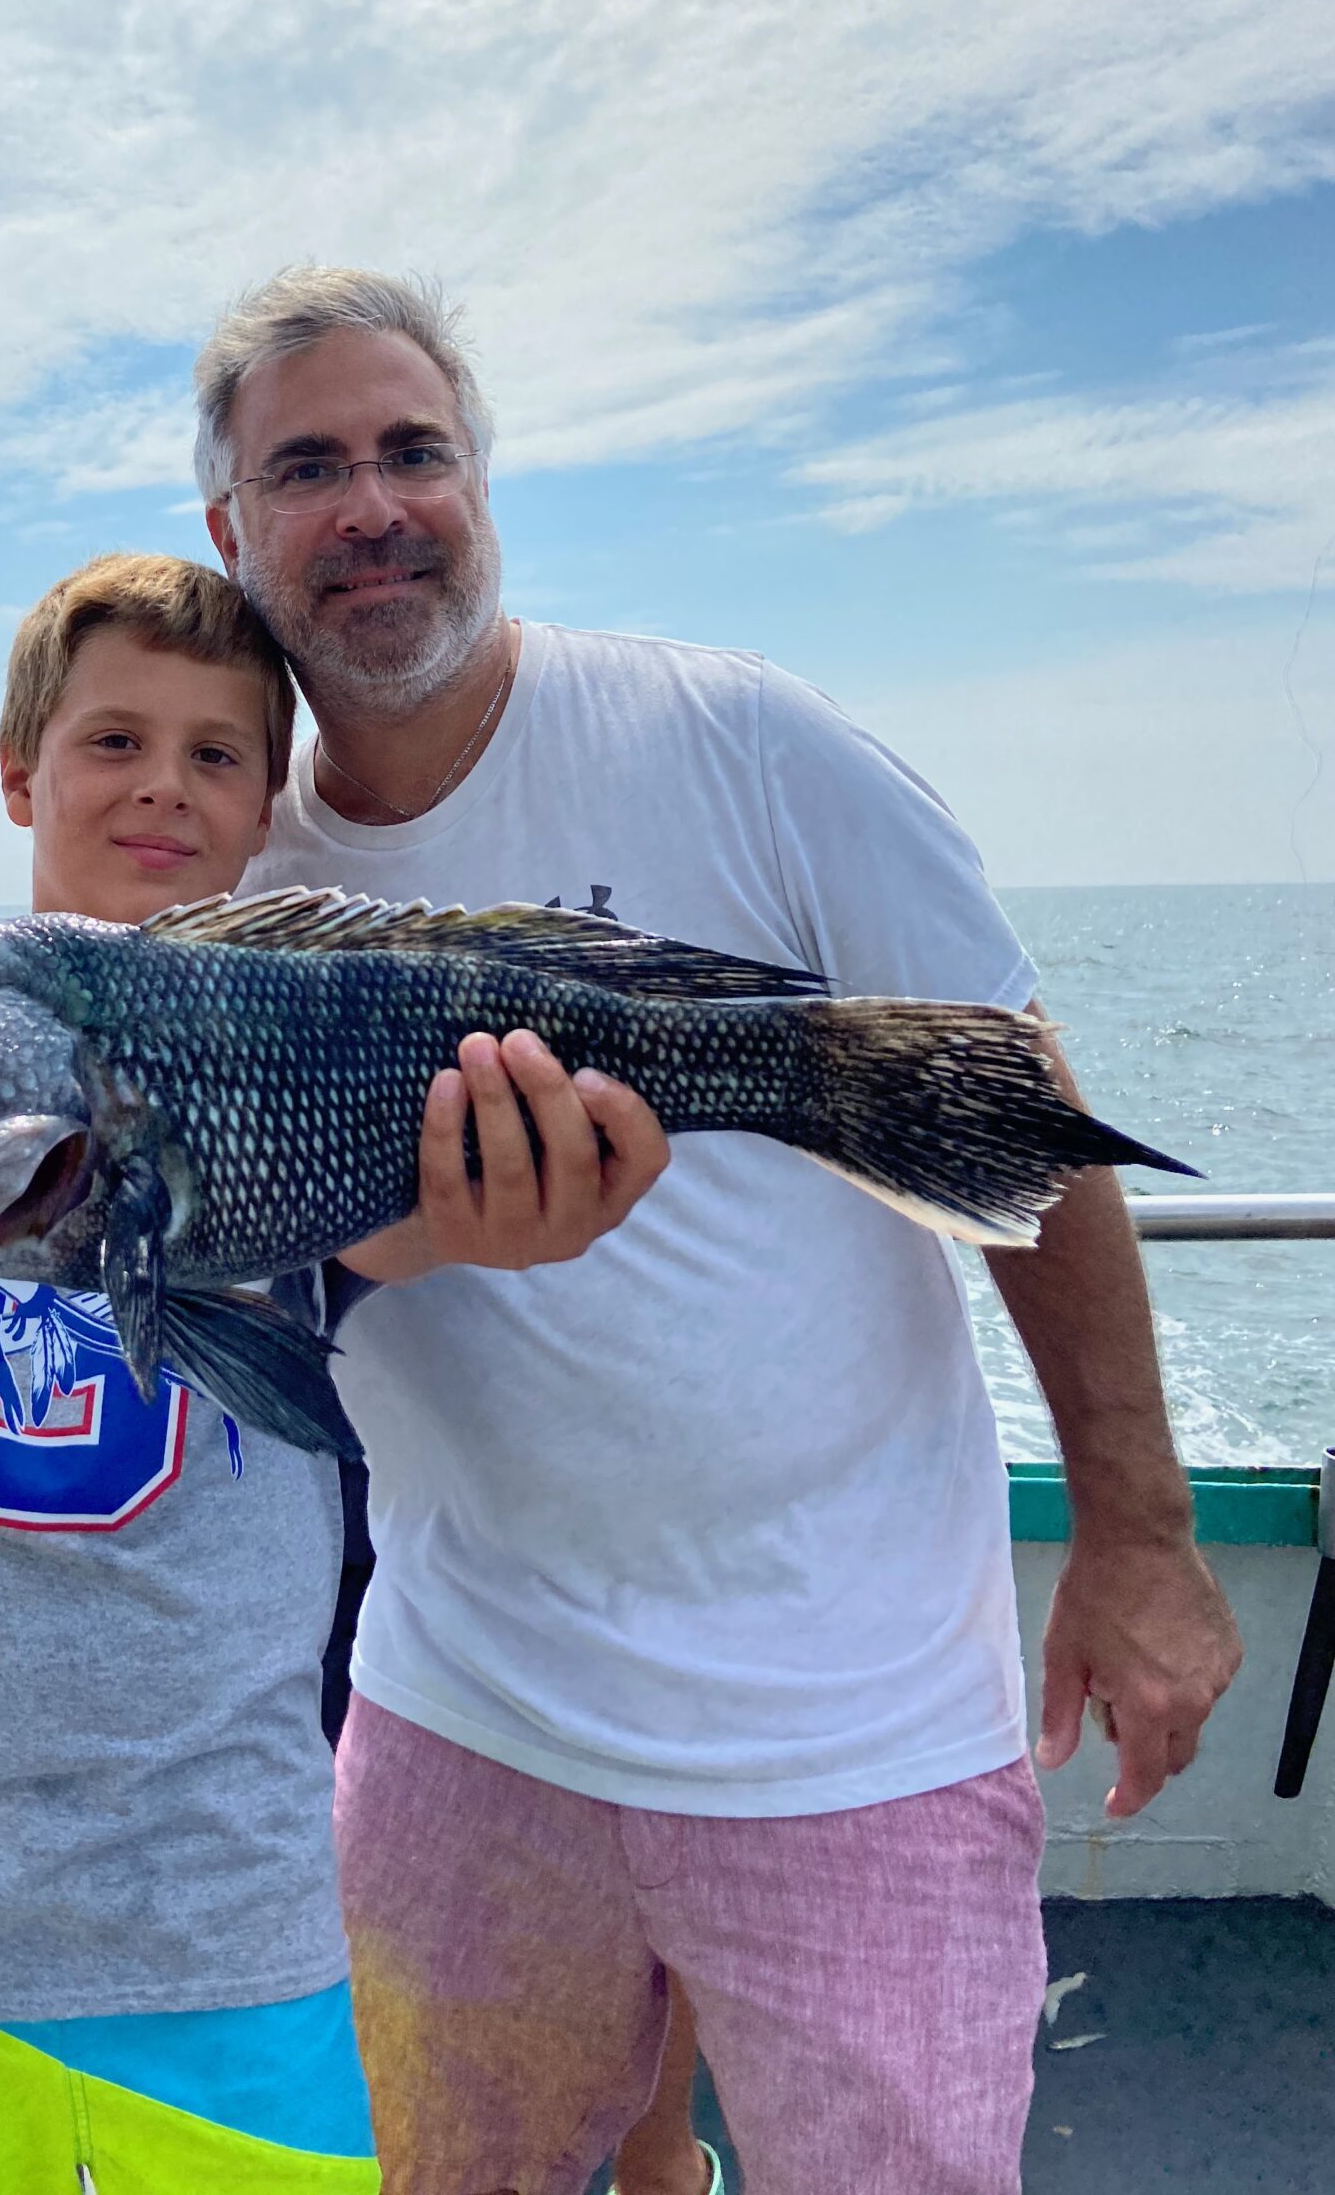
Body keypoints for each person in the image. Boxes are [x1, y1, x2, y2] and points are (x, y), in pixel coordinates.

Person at [197, 266, 1246, 2195]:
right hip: (462, 1713)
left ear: (483, 487)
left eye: (416, 451)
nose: (373, 507)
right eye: (310, 466)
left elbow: (1009, 1111)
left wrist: (1142, 1536)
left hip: (849, 1731)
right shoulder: (231, 875)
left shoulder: (746, 740)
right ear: (231, 528)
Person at [0, 552, 667, 2195]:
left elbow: (401, 1248)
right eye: (112, 742)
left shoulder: (314, 1047)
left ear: (268, 815)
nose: (162, 783)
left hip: (230, 1920)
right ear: (21, 771)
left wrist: (501, 1202)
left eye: (217, 754)